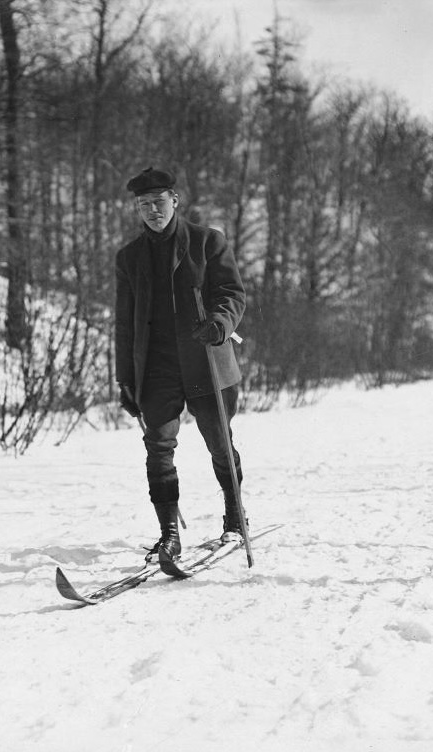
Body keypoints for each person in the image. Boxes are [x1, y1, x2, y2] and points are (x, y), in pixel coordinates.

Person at [114, 167, 247, 563]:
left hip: (207, 362)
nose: (152, 211)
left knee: (219, 444)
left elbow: (232, 293)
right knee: (157, 446)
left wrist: (220, 323)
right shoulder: (129, 258)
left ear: (175, 201)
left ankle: (236, 517)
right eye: (143, 205)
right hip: (157, 368)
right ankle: (169, 534)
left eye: (158, 202)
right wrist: (125, 378)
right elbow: (124, 322)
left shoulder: (208, 243)